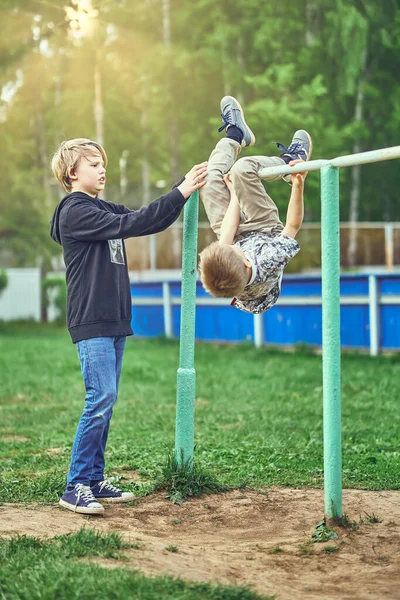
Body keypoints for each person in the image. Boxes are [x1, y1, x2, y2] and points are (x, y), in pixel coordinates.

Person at [50, 138, 207, 514]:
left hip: (114, 318)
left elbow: (148, 219)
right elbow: (135, 222)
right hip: (92, 319)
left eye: (102, 163)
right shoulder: (74, 210)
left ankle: (94, 479)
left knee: (107, 400)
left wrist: (180, 192)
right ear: (73, 173)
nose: (102, 169)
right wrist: (181, 189)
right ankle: (75, 485)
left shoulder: (102, 208)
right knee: (99, 398)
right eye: (93, 164)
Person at [198, 96, 312, 314]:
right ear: (247, 263)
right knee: (242, 169)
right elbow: (292, 226)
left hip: (240, 242)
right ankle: (289, 163)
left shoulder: (225, 264)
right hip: (265, 231)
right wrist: (298, 183)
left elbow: (228, 232)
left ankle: (236, 135)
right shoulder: (270, 258)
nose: (227, 243)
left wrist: (234, 194)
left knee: (210, 180)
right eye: (230, 247)